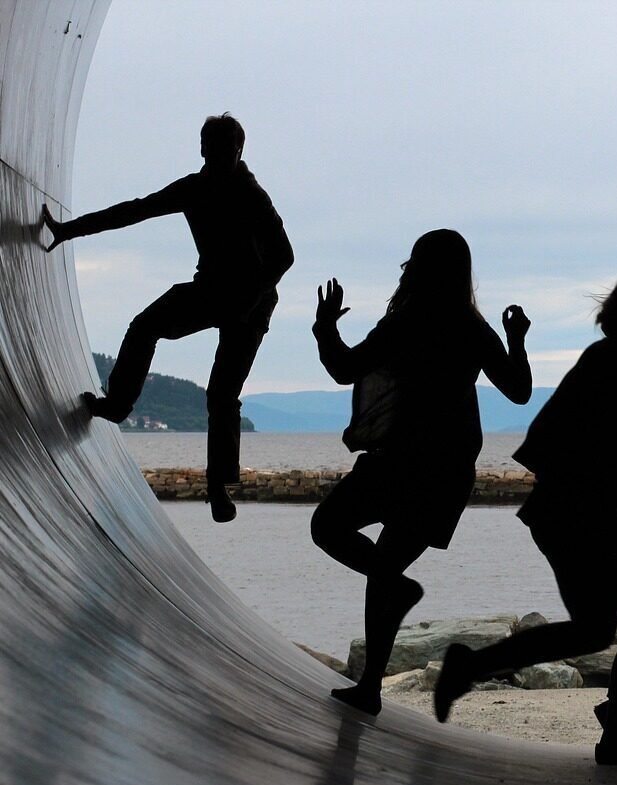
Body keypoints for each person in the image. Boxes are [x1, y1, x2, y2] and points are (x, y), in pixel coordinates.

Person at [434, 273, 617, 766]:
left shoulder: (613, 363)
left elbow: (603, 427)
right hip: (580, 516)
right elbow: (579, 432)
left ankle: (474, 667)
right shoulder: (611, 364)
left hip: (575, 514)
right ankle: (613, 732)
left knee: (598, 629)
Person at [310, 229, 532, 717]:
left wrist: (325, 327)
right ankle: (371, 677)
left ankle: (371, 682)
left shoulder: (405, 321)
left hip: (399, 460)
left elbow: (346, 369)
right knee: (386, 568)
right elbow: (519, 390)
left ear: (417, 268)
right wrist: (516, 341)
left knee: (328, 528)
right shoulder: (473, 328)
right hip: (447, 470)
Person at [40, 113, 293, 523]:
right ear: (201, 149)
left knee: (221, 394)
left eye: (224, 150)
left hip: (253, 303)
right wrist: (70, 230)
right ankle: (117, 405)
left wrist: (249, 300)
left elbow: (284, 256)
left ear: (238, 151)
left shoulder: (252, 195)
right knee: (144, 326)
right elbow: (134, 211)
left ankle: (218, 487)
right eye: (210, 148)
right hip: (210, 290)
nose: (215, 156)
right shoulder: (194, 188)